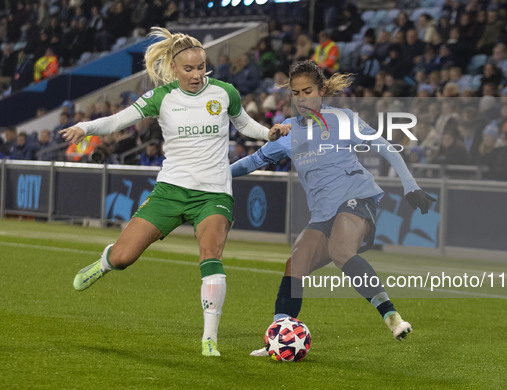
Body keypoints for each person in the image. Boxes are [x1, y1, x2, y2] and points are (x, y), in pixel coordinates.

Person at [58, 27, 290, 357]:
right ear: (173, 68)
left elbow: (244, 125)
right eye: (189, 69)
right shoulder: (161, 97)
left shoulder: (225, 93)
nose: (197, 75)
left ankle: (209, 337)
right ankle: (105, 262)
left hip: (213, 193)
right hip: (170, 191)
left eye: (202, 68)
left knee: (211, 255)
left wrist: (269, 132)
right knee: (125, 257)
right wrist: (85, 127)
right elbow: (117, 121)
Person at [231, 60, 435, 357]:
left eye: (308, 91)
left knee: (341, 249)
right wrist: (216, 174)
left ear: (322, 90)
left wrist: (411, 185)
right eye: (296, 93)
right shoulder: (288, 134)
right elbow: (252, 162)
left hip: (358, 198)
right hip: (323, 214)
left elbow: (384, 146)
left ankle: (392, 317)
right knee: (296, 262)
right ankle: (279, 335)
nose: (302, 99)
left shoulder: (342, 119)